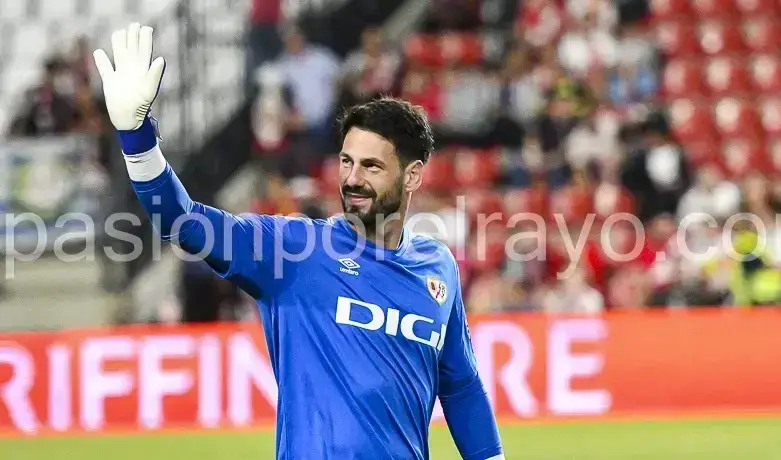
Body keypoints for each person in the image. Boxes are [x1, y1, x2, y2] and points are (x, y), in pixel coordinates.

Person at [93, 23, 504, 460]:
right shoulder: (293, 252)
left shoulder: (436, 266)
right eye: (346, 162)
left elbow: (460, 383)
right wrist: (136, 138)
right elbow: (183, 221)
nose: (352, 179)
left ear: (413, 175)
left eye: (371, 166)